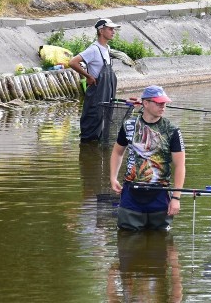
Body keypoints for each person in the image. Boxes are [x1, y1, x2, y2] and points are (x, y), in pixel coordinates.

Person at [109, 85, 186, 231]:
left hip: (160, 194)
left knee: (161, 242)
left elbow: (180, 165)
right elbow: (117, 152)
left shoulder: (172, 130)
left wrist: (176, 198)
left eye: (164, 103)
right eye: (158, 102)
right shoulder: (129, 125)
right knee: (127, 240)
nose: (163, 106)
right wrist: (113, 178)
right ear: (145, 103)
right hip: (131, 193)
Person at [70, 18, 120, 142]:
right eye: (110, 29)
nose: (113, 31)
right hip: (97, 93)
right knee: (93, 119)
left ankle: (95, 154)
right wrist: (88, 76)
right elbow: (72, 62)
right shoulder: (93, 49)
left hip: (107, 91)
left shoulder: (107, 48)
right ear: (101, 31)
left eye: (113, 29)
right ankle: (87, 150)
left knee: (104, 120)